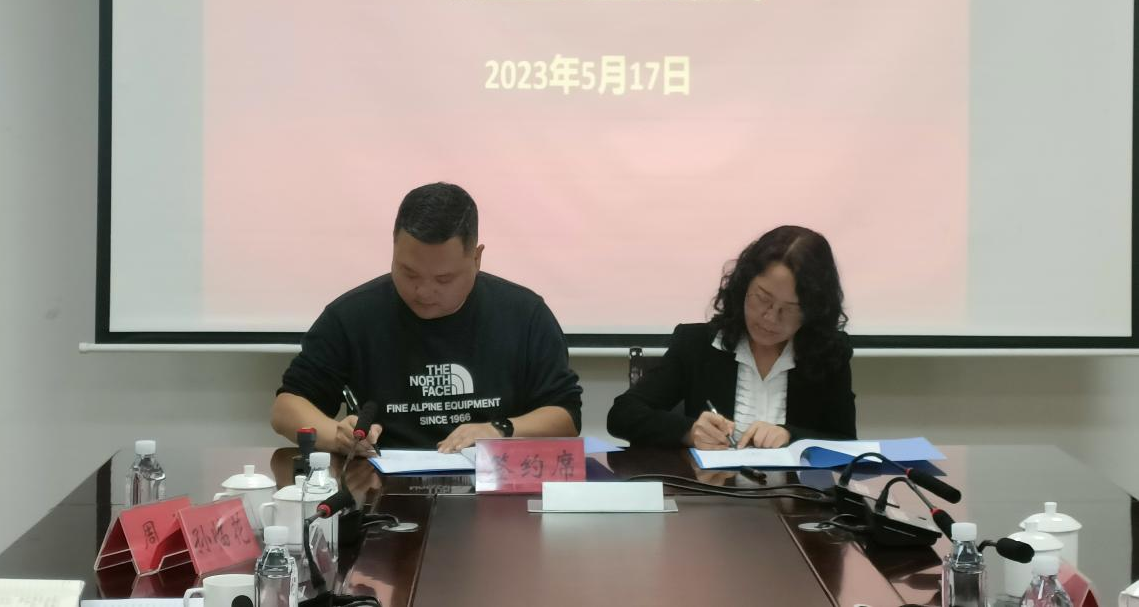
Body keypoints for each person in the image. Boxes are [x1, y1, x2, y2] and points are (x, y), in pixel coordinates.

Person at [271, 182, 582, 454]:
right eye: (408, 273)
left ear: (476, 258)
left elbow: (566, 416)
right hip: (381, 487)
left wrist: (499, 429)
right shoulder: (353, 315)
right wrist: (337, 437)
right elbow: (286, 408)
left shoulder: (524, 315)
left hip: (492, 484)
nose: (423, 291)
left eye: (443, 279)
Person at [607, 225, 854, 449]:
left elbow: (846, 443)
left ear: (813, 311)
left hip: (793, 486)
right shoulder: (697, 344)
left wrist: (792, 436)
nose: (770, 318)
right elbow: (622, 415)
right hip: (710, 484)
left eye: (790, 309)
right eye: (762, 298)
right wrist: (689, 432)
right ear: (743, 286)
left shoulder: (828, 353)